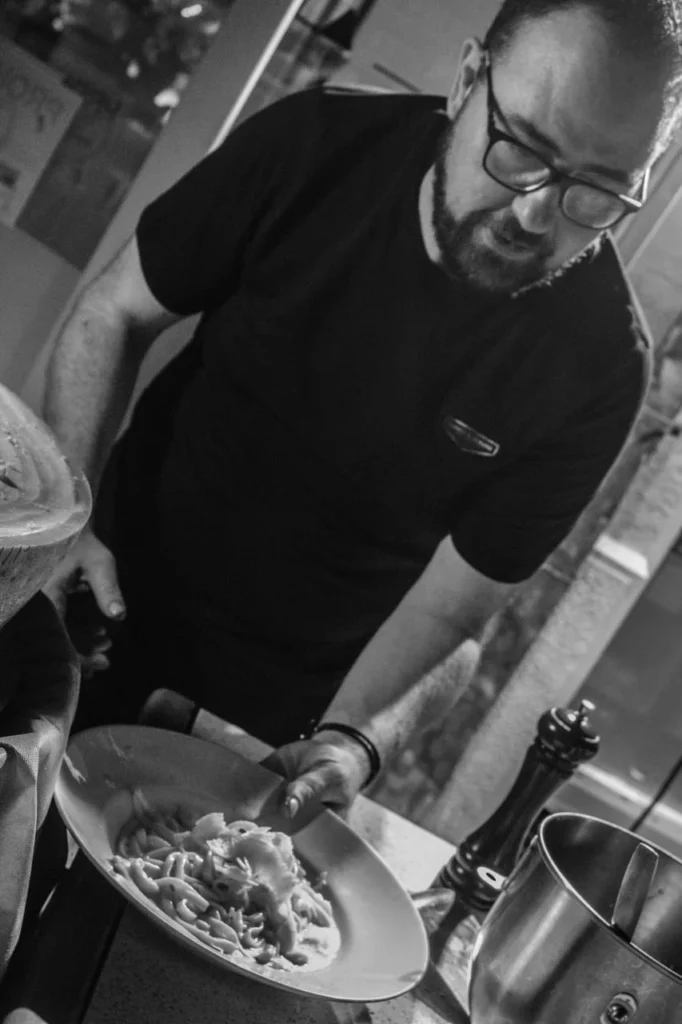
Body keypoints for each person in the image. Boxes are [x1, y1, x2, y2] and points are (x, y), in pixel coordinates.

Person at [43, 0, 679, 815]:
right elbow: (117, 313)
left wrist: (358, 740)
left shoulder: (600, 370)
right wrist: (68, 520)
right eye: (522, 148)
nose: (535, 214)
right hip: (94, 600)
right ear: (467, 81)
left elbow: (456, 611)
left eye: (598, 191)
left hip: (264, 737)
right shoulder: (314, 146)